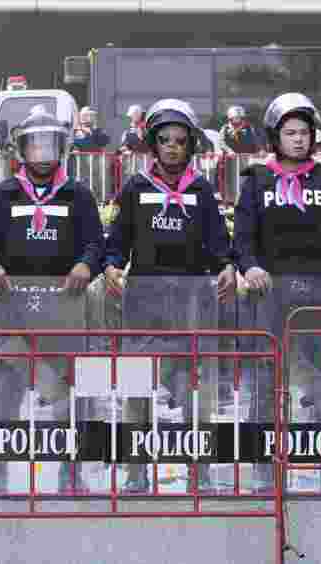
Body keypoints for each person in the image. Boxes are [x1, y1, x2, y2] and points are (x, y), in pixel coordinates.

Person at [102, 98, 236, 493]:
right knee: (137, 389)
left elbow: (219, 244)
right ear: (153, 144)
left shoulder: (202, 189)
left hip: (193, 304)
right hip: (143, 303)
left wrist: (227, 265)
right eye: (165, 139)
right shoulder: (135, 187)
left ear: (191, 144)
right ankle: (135, 470)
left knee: (197, 388)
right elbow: (116, 242)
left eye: (180, 140)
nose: (173, 146)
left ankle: (202, 470)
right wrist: (111, 265)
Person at [234, 92, 321, 492]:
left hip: (317, 290)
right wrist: (249, 266)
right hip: (268, 291)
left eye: (305, 132)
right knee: (265, 378)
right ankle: (263, 465)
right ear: (276, 136)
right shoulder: (256, 181)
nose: (299, 140)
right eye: (290, 132)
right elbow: (242, 238)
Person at [0, 108, 104, 493]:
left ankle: (71, 473)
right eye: (36, 144)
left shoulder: (79, 194)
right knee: (6, 392)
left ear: (62, 148)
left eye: (51, 144)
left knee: (67, 391)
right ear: (22, 149)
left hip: (65, 308)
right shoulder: (1, 194)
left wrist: (85, 264)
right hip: (11, 309)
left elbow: (96, 243)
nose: (43, 152)